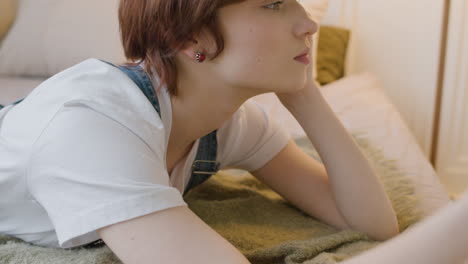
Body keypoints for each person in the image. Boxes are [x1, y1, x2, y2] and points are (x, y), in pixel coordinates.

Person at [0, 0, 467, 263]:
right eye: (274, 4)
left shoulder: (227, 123)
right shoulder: (90, 126)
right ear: (189, 39)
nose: (307, 24)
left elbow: (369, 223)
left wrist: (305, 94)